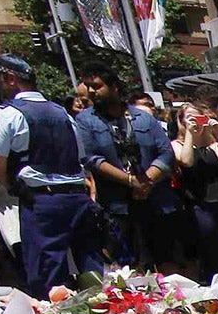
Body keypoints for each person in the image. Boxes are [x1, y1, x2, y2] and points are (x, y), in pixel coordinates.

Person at [0, 53, 98, 297]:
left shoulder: (7, 113)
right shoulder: (62, 113)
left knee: (47, 276)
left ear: (11, 78)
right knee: (91, 267)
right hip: (77, 198)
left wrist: (13, 189)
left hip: (43, 201)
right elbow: (79, 155)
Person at [75, 66, 176, 270]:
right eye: (89, 87)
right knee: (128, 267)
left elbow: (166, 153)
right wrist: (130, 181)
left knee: (163, 261)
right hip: (117, 207)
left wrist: (146, 181)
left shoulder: (143, 118)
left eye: (97, 86)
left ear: (113, 87)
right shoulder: (86, 120)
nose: (92, 92)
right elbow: (90, 158)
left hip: (153, 201)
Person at [173, 96, 218, 283]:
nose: (195, 121)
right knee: (209, 248)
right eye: (190, 118)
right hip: (199, 203)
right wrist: (189, 133)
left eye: (198, 117)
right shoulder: (177, 144)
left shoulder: (213, 145)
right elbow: (186, 161)